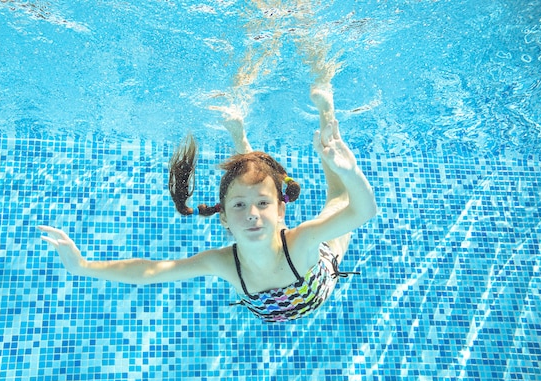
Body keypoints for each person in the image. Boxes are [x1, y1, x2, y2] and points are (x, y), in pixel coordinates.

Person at [39, 82, 377, 323]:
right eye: (240, 207)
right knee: (248, 179)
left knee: (339, 196)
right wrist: (82, 266)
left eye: (263, 204)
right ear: (224, 219)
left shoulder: (302, 240)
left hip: (320, 277)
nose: (252, 215)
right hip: (289, 303)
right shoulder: (223, 263)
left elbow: (363, 211)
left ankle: (326, 113)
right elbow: (152, 270)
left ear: (280, 210)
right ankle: (241, 143)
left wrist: (349, 171)